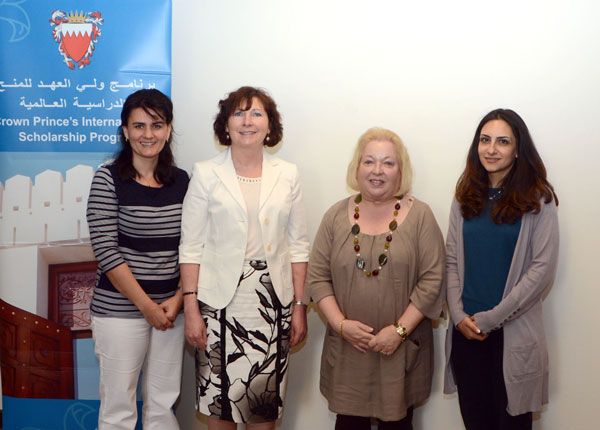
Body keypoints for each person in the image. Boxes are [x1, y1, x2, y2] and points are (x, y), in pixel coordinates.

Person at [179, 86, 310, 428]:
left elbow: (298, 246)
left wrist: (300, 306)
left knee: (263, 411)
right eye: (238, 113)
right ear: (226, 125)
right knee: (219, 409)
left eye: (256, 113)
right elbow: (190, 247)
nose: (247, 121)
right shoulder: (205, 173)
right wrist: (190, 308)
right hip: (217, 305)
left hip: (272, 304)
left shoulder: (288, 174)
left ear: (270, 125)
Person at [308, 127, 445, 429]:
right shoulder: (334, 216)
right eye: (369, 161)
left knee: (398, 424)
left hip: (400, 351)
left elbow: (433, 280)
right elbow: (317, 277)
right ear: (357, 168)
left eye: (388, 163)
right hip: (348, 351)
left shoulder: (421, 217)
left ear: (401, 171)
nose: (377, 171)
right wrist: (341, 325)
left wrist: (399, 331)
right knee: (348, 424)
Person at [443, 109, 559, 430]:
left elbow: (541, 271)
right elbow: (451, 259)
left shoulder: (539, 200)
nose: (491, 149)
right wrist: (458, 315)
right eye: (485, 140)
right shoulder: (464, 197)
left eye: (503, 142)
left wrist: (490, 319)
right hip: (466, 334)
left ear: (518, 149)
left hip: (512, 336)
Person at [87, 89, 189, 429]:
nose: (148, 134)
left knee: (163, 405)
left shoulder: (182, 181)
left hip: (170, 312)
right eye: (139, 125)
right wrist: (146, 306)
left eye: (157, 125)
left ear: (168, 130)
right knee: (118, 409)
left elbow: (194, 247)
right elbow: (106, 251)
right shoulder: (107, 179)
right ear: (125, 131)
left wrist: (178, 300)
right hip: (119, 311)